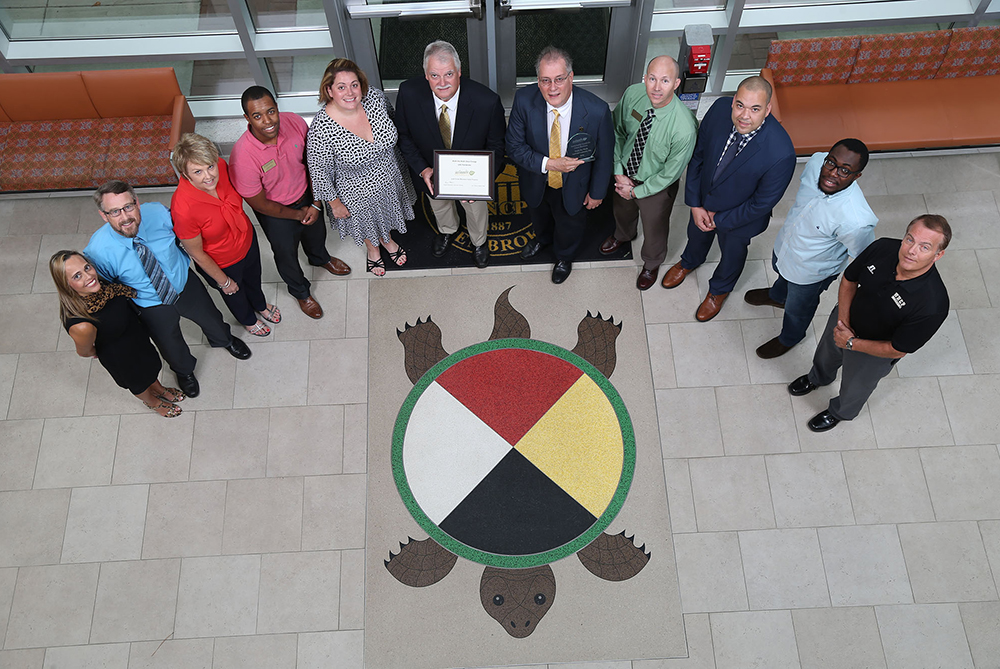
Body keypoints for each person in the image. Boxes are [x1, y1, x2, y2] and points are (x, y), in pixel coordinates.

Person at [84, 181, 251, 399]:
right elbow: (107, 286)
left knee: (211, 318)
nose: (125, 217)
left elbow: (189, 239)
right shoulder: (97, 251)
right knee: (169, 342)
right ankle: (185, 371)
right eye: (114, 212)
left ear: (137, 203)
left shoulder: (159, 213)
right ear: (104, 216)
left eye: (128, 207)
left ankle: (225, 340)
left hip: (184, 284)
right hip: (149, 303)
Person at [788, 215, 951, 432]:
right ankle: (817, 377)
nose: (911, 251)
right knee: (826, 354)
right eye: (910, 240)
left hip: (874, 352)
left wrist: (851, 343)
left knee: (856, 387)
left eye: (924, 247)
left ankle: (840, 412)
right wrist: (842, 322)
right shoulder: (883, 248)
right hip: (845, 320)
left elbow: (897, 349)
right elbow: (849, 279)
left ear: (938, 254)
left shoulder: (933, 304)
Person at [661, 75, 796, 322]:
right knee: (696, 235)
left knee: (732, 255)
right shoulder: (719, 110)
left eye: (755, 109)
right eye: (740, 105)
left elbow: (762, 203)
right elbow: (698, 156)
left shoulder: (781, 152)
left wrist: (719, 219)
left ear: (767, 110)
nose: (745, 115)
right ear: (733, 101)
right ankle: (689, 261)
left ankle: (719, 290)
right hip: (703, 202)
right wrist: (695, 203)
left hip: (740, 219)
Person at [745, 138, 878, 358]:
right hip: (785, 247)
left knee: (798, 309)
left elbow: (862, 256)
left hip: (811, 273)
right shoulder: (816, 162)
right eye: (831, 163)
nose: (833, 173)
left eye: (845, 171)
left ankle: (790, 338)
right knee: (780, 275)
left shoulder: (856, 220)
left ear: (857, 176)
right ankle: (777, 296)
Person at [230, 86, 352, 320]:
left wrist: (316, 203)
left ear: (277, 108)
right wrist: (298, 215)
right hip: (275, 212)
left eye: (271, 111)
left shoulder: (294, 122)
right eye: (257, 116)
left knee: (316, 233)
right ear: (247, 118)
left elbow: (313, 162)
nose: (267, 121)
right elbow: (260, 204)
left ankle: (320, 258)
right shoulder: (242, 157)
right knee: (286, 254)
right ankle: (301, 291)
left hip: (307, 194)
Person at [506, 45, 613, 284]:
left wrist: (596, 194)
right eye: (545, 80)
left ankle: (564, 256)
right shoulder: (524, 99)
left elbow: (606, 157)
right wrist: (550, 164)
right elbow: (513, 146)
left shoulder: (597, 111)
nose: (552, 88)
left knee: (570, 223)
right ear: (538, 80)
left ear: (571, 77)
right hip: (537, 178)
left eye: (559, 79)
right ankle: (542, 239)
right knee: (538, 214)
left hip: (575, 185)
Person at [395, 40, 507, 269]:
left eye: (449, 74)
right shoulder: (408, 93)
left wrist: (481, 183)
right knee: (439, 205)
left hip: (472, 176)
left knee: (475, 210)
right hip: (430, 170)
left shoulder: (487, 102)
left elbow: (497, 147)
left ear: (459, 72)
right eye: (435, 75)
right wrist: (422, 169)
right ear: (426, 75)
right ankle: (448, 230)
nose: (443, 83)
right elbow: (404, 136)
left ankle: (479, 242)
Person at [307, 58, 416, 277]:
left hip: (389, 176)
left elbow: (393, 119)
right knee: (367, 222)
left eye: (354, 84)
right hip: (355, 191)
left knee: (385, 216)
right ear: (329, 90)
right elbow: (318, 172)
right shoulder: (321, 129)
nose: (350, 92)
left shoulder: (374, 97)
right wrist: (335, 204)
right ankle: (373, 249)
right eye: (341, 87)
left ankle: (387, 240)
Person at [51, 250, 184, 418]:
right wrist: (98, 351)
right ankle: (153, 401)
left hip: (136, 337)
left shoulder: (103, 286)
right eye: (77, 276)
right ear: (66, 284)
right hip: (120, 356)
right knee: (138, 383)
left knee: (151, 366)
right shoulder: (81, 324)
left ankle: (158, 388)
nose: (89, 276)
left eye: (87, 267)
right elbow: (84, 351)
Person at [171, 132, 279, 338]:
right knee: (235, 294)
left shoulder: (221, 166)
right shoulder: (183, 208)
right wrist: (224, 281)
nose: (208, 176)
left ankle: (259, 304)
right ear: (185, 174)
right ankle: (248, 319)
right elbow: (196, 253)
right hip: (222, 261)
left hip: (246, 241)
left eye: (209, 166)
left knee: (254, 278)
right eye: (198, 171)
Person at [603, 55, 697, 290]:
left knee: (655, 227)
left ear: (676, 84)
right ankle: (623, 235)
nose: (656, 87)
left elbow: (669, 174)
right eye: (652, 78)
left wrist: (637, 192)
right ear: (644, 78)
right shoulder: (633, 94)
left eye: (665, 81)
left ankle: (651, 262)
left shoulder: (684, 128)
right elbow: (616, 131)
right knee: (621, 209)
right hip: (624, 172)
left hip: (656, 185)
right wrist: (617, 171)